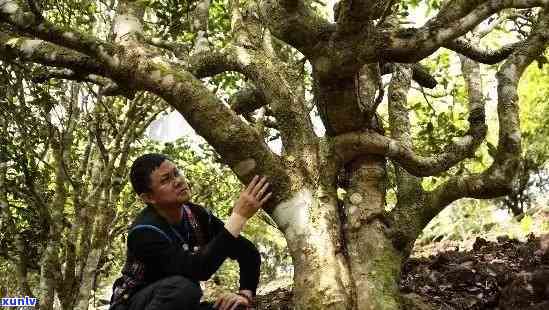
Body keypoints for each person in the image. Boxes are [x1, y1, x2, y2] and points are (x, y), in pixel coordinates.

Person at [109, 153, 272, 310]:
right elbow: (198, 269)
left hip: (179, 302)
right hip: (135, 303)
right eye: (166, 180)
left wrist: (244, 295)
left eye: (176, 173)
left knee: (235, 307)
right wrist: (238, 217)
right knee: (183, 288)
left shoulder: (197, 215)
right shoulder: (144, 233)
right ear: (149, 198)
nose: (178, 181)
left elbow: (247, 252)